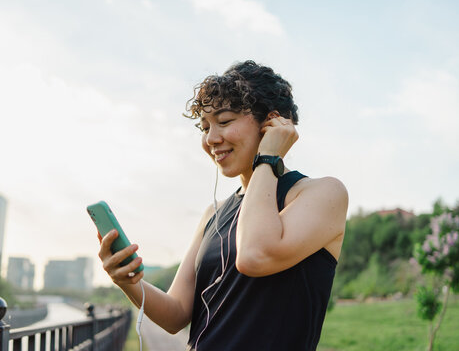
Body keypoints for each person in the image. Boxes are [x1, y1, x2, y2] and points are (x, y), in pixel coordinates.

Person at [96, 60, 348, 350]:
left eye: (225, 121)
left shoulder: (322, 194)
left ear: (271, 123)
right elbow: (177, 313)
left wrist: (268, 158)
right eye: (205, 127)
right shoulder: (212, 215)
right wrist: (126, 280)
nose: (211, 139)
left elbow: (254, 255)